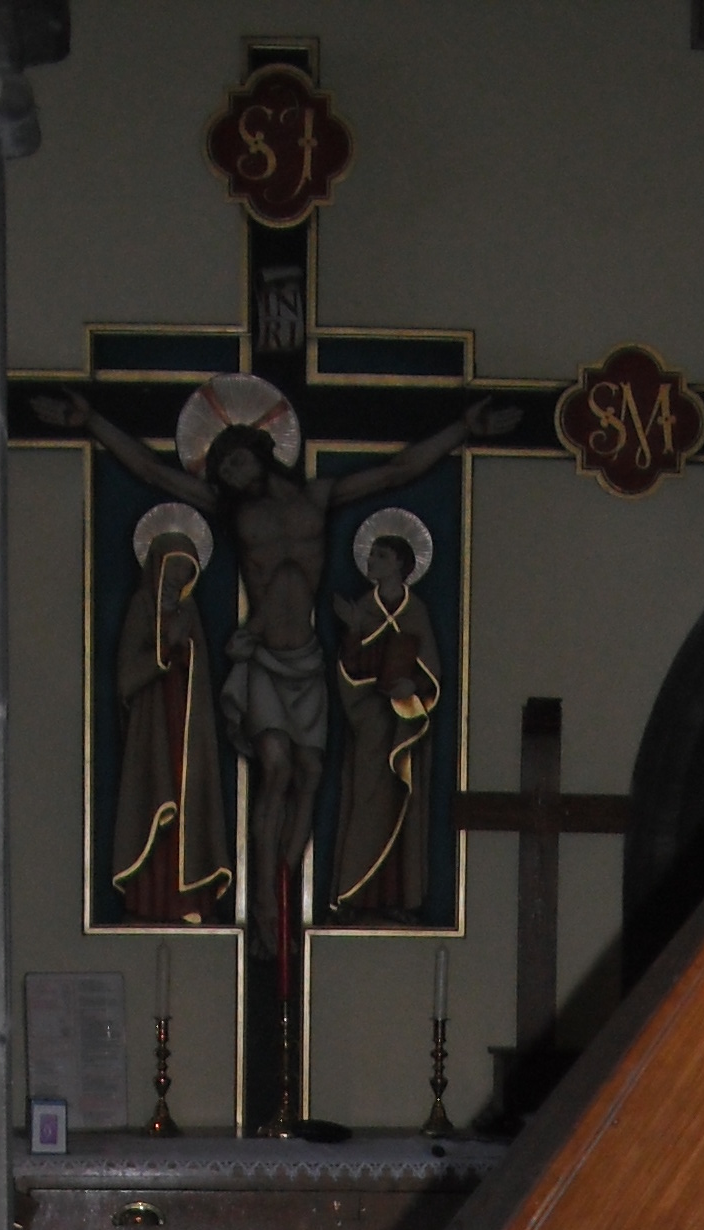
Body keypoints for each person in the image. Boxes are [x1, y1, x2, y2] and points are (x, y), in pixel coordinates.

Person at [53, 371, 515, 955]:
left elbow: (399, 471)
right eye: (221, 471)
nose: (231, 475)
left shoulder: (319, 498)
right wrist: (90, 423)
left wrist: (460, 432)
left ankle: (288, 892)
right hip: (265, 659)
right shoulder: (230, 511)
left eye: (236, 463)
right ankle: (267, 912)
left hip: (309, 661)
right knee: (274, 767)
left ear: (259, 452)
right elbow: (149, 471)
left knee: (310, 776)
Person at [110, 506, 234, 925]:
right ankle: (150, 902)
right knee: (153, 802)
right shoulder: (141, 606)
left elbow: (200, 667)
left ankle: (188, 902)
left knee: (190, 806)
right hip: (153, 726)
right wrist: (165, 648)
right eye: (175, 567)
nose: (181, 578)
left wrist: (186, 647)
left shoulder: (190, 612)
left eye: (187, 570)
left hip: (187, 723)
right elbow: (127, 674)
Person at [330, 514, 442, 918]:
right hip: (370, 723)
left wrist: (415, 687)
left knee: (404, 806)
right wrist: (357, 632)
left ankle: (398, 898)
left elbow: (431, 669)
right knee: (366, 805)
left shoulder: (416, 611)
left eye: (380, 555)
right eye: (372, 554)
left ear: (399, 563)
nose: (372, 561)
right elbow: (348, 667)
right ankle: (358, 894)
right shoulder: (363, 608)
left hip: (404, 722)